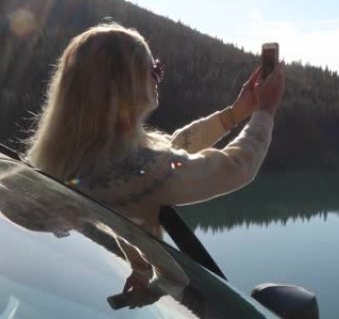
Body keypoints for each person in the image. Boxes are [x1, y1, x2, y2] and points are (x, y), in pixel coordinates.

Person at [25, 21, 284, 238]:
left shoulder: (71, 158)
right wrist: (266, 111)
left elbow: (169, 150)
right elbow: (235, 167)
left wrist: (235, 113)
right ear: (126, 83)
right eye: (154, 70)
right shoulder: (137, 171)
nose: (159, 77)